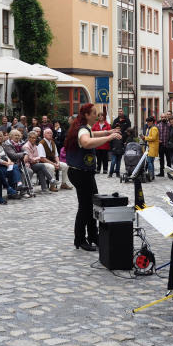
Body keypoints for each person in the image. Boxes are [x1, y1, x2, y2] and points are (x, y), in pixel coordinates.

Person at [66, 103, 121, 251]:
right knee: (85, 207)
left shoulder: (85, 127)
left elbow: (92, 134)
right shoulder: (82, 129)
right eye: (94, 113)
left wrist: (108, 131)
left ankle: (93, 236)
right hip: (80, 173)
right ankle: (80, 239)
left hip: (84, 172)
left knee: (92, 205)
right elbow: (86, 142)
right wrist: (109, 137)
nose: (97, 115)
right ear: (86, 115)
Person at [0, 131, 25, 196]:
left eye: (1, 136)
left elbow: (6, 155)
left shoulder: (2, 145)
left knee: (14, 167)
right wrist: (6, 163)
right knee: (12, 171)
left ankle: (18, 185)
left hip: (6, 164)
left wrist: (9, 162)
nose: (0, 138)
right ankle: (13, 192)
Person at [141, 116, 160, 180]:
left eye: (149, 122)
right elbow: (147, 137)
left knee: (149, 161)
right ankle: (151, 175)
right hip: (148, 147)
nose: (147, 123)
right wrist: (143, 138)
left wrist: (145, 138)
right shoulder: (148, 128)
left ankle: (151, 175)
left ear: (152, 122)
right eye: (147, 122)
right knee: (150, 162)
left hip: (152, 147)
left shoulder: (154, 128)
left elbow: (153, 138)